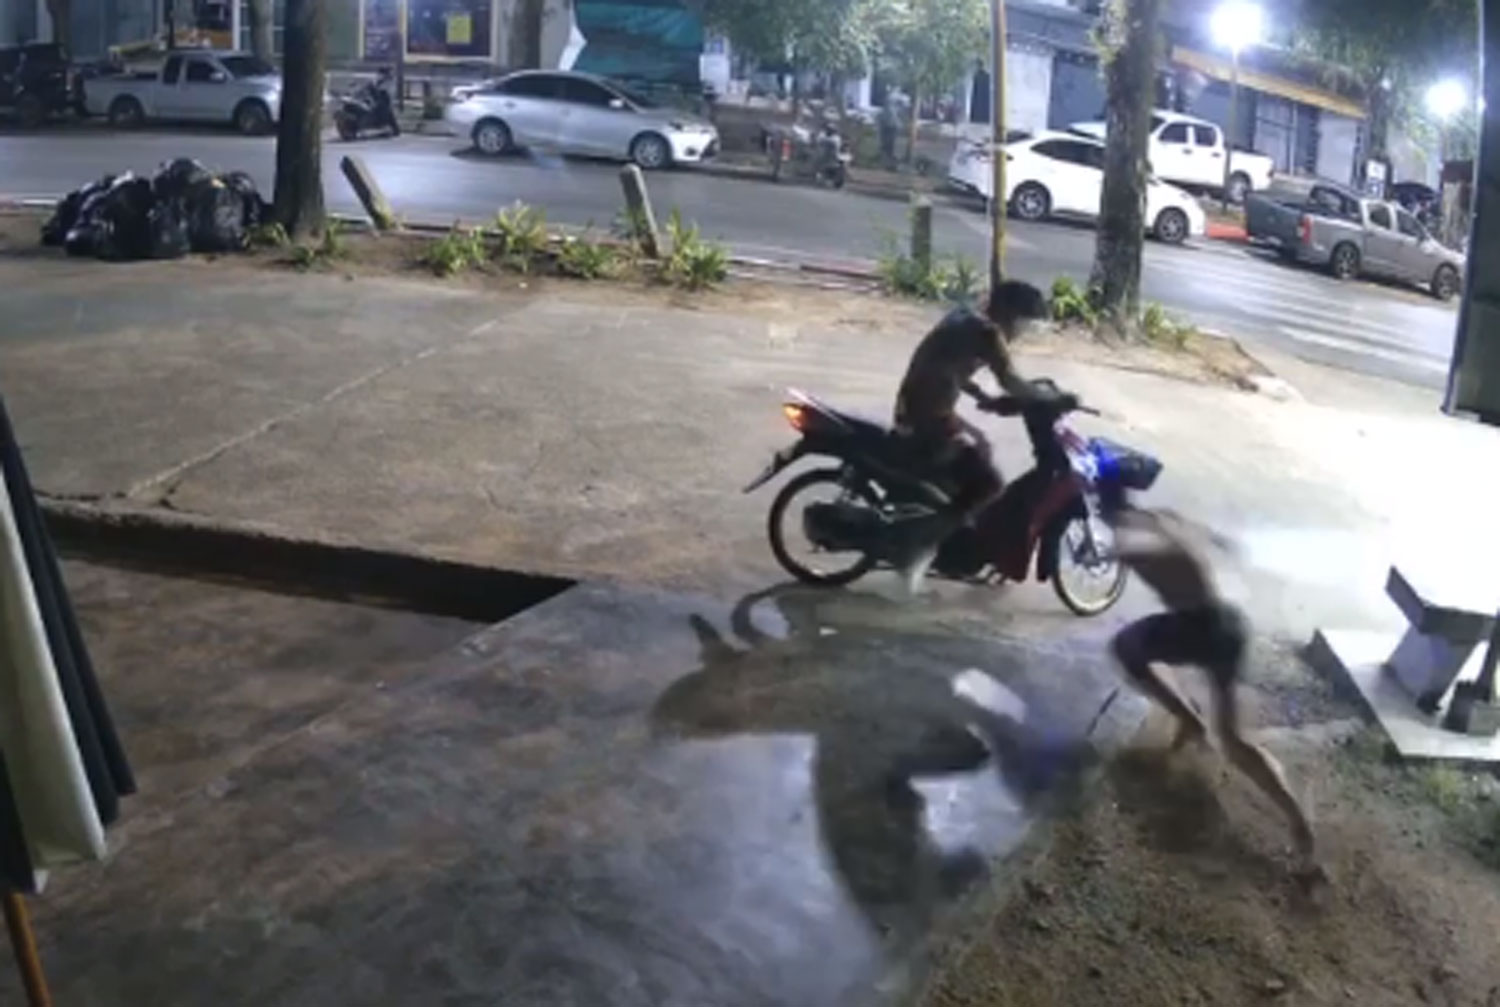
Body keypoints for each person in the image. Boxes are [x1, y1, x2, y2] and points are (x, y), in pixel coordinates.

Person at [1099, 482, 1319, 875]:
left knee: (1126, 647)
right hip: (1229, 626)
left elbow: (1128, 551)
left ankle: (1187, 717)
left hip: (1198, 631)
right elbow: (1188, 533)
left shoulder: (1136, 546)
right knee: (1234, 740)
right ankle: (1297, 820)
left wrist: (1119, 541)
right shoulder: (1161, 519)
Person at [889, 279, 1061, 593]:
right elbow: (1010, 380)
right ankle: (921, 548)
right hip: (929, 418)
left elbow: (948, 364)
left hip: (916, 407)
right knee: (989, 483)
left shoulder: (964, 317)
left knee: (981, 448)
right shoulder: (989, 333)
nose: (1022, 333)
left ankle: (956, 537)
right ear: (1011, 315)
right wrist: (1051, 399)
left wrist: (978, 393)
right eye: (1025, 324)